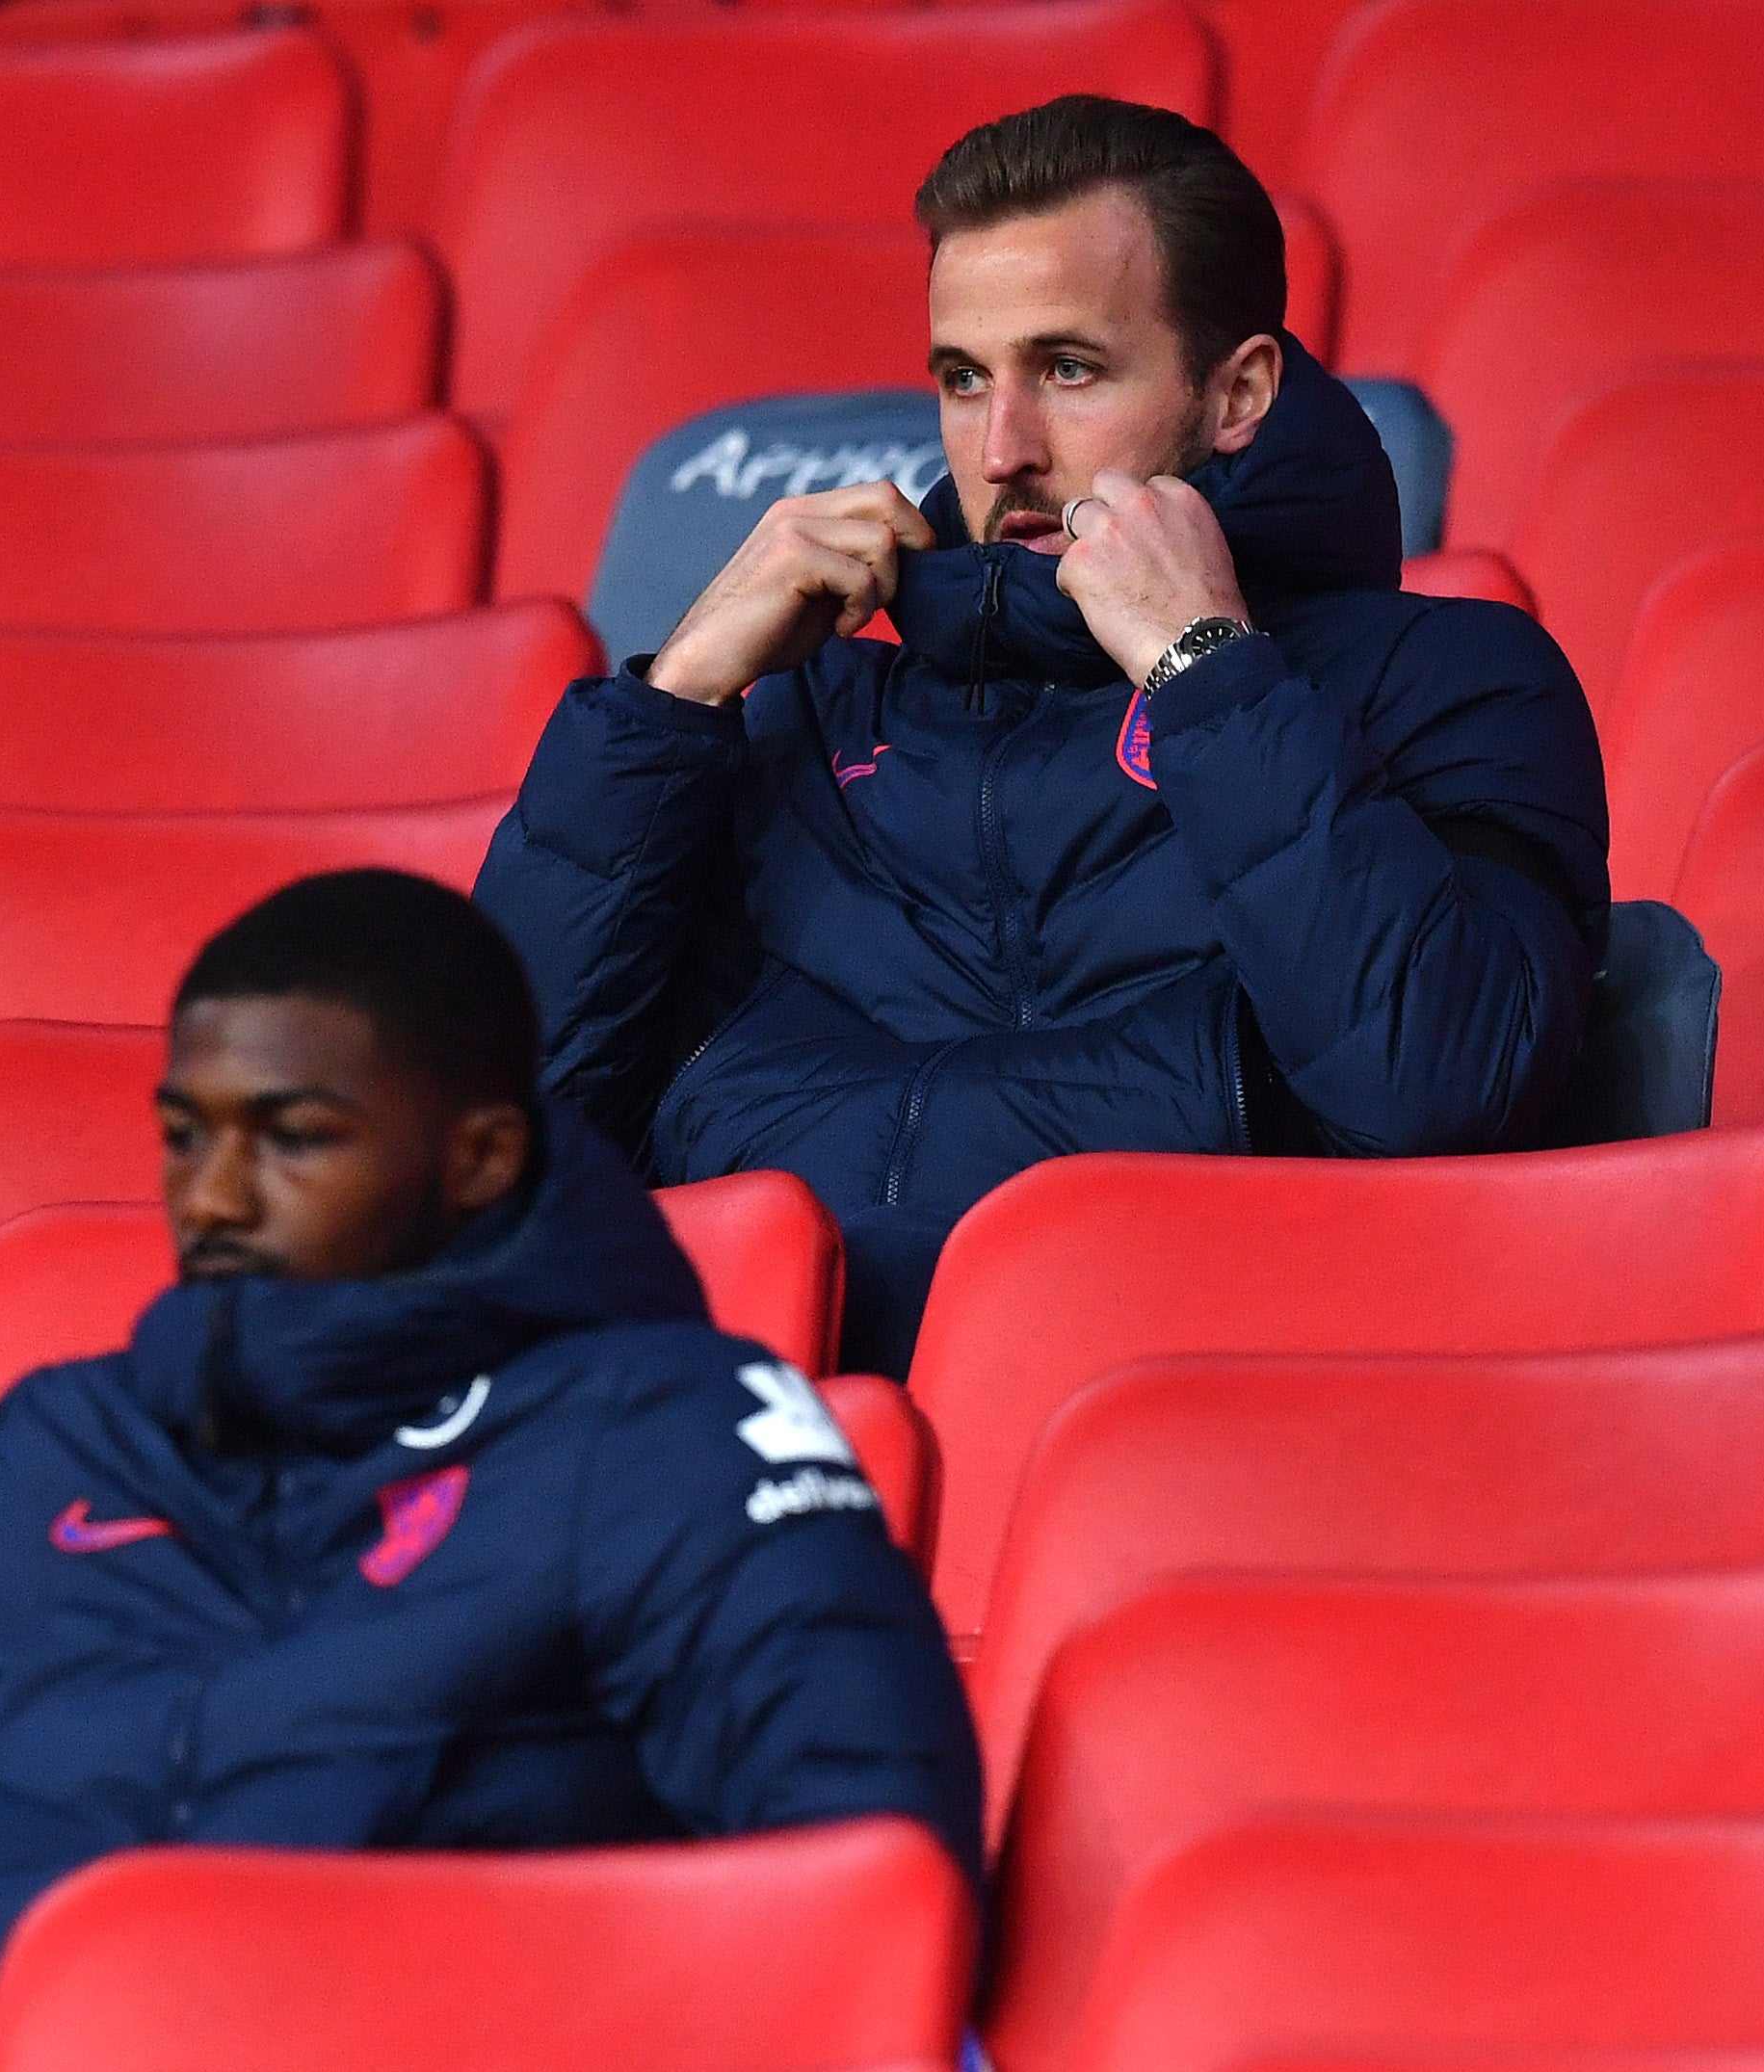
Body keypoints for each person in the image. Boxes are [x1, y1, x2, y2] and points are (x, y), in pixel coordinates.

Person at [0, 870, 984, 2072]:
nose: (215, 1197)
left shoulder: (671, 1432)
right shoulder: (56, 1441)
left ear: (478, 1158)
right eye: (185, 1136)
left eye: (293, 1139)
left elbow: (865, 1872)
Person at [475, 97, 1611, 1372]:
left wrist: (1206, 672)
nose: (1001, 450)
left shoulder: (1448, 680)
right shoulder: (798, 709)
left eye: (1068, 370)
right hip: (748, 1432)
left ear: (1237, 391)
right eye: (963, 380)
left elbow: (1434, 1087)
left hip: (1198, 1414)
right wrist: (673, 699)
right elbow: (493, 1142)